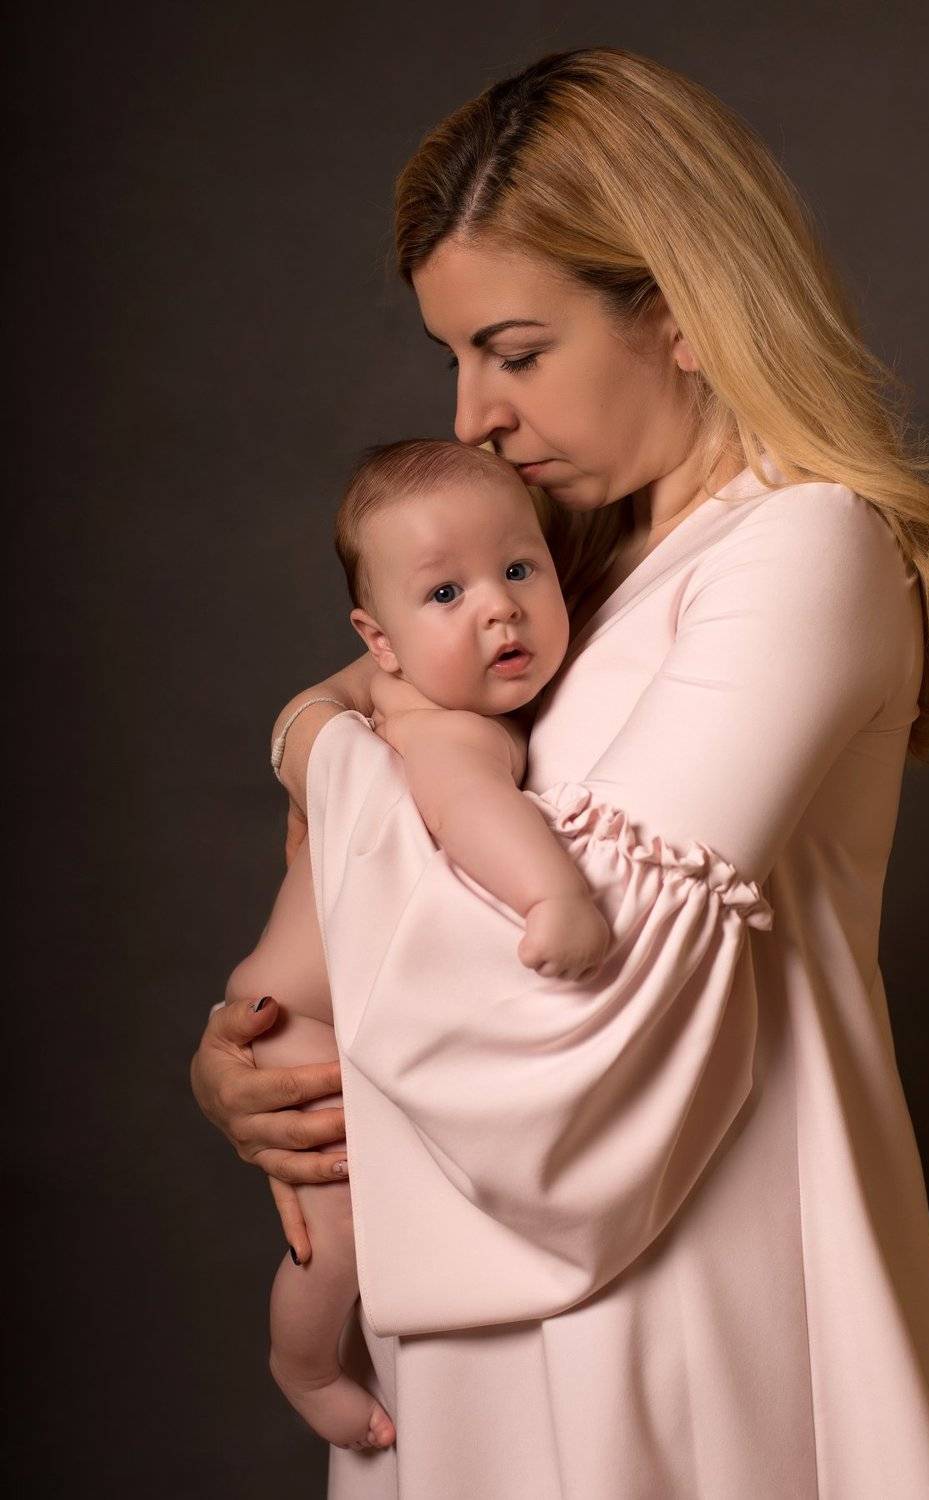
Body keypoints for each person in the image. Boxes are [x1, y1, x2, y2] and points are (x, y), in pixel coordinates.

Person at [191, 45, 929, 1499]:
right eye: (456, 359)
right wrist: (267, 1068)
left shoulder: (800, 552)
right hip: (484, 1319)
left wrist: (316, 749)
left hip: (678, 1319)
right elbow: (366, 719)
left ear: (684, 316)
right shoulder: (560, 576)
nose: (473, 417)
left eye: (516, 353)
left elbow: (569, 1023)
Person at [224, 437, 612, 1450]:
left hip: (309, 1007)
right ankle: (306, 1363)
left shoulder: (410, 693)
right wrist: (554, 895)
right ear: (380, 641)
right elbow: (471, 809)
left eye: (519, 570)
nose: (499, 610)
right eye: (446, 594)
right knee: (337, 1233)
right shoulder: (448, 727)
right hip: (302, 1031)